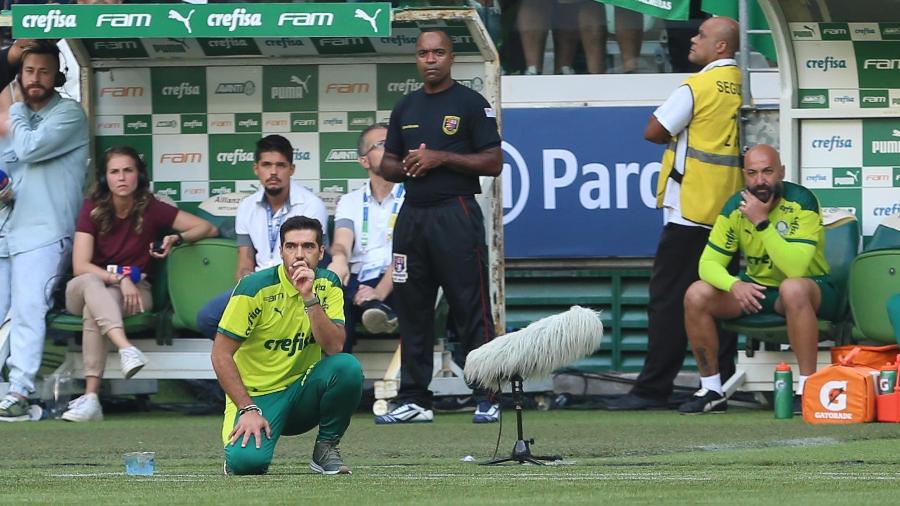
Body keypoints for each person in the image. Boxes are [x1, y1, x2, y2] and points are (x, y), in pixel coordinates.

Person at [606, 17, 743, 411]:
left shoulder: (697, 86)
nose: (693, 39)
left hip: (689, 213)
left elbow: (653, 129)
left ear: (721, 47)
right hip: (728, 214)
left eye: (702, 35)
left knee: (667, 300)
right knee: (721, 299)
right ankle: (723, 382)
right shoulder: (742, 85)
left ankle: (652, 388)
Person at [373, 30, 502, 424]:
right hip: (412, 216)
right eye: (424, 53)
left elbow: (493, 161)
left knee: (470, 307)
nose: (430, 59)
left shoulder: (471, 103)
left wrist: (441, 158)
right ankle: (415, 398)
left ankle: (488, 393)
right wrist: (409, 164)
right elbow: (387, 164)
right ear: (417, 58)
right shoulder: (405, 108)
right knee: (412, 308)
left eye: (438, 53)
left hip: (456, 213)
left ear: (451, 58)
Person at [60, 146, 217, 422]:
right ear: (104, 178)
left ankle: (91, 398)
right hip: (84, 288)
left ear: (139, 176)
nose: (121, 178)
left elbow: (207, 228)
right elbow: (80, 266)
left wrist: (174, 239)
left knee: (94, 312)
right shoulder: (92, 208)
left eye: (128, 170)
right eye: (114, 172)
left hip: (132, 293)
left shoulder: (151, 207)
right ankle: (126, 348)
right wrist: (120, 279)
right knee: (91, 284)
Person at [678, 144, 835, 414]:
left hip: (813, 289)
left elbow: (795, 267)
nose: (760, 181)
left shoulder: (801, 201)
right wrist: (734, 285)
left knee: (792, 287)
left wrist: (762, 222)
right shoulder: (734, 207)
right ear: (744, 175)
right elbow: (707, 264)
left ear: (781, 172)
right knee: (696, 293)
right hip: (759, 291)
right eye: (752, 173)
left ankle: (808, 386)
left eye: (767, 172)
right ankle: (712, 389)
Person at [211, 216, 362, 475]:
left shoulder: (328, 284)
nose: (299, 255)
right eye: (291, 247)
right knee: (247, 465)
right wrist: (246, 407)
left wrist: (309, 298)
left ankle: (325, 449)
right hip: (257, 398)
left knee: (347, 367)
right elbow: (220, 354)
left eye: (308, 247)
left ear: (321, 252)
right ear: (280, 251)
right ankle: (241, 443)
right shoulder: (253, 287)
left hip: (302, 391)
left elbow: (335, 347)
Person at [0, 41, 88, 421]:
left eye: (44, 71)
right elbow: (12, 166)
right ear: (21, 74)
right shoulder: (15, 117)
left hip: (47, 231)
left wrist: (15, 106)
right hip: (9, 226)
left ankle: (19, 392)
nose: (35, 78)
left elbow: (32, 149)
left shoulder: (68, 113)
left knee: (28, 311)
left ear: (57, 76)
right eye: (29, 71)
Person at [196, 134, 328, 339]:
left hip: (297, 286)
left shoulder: (311, 205)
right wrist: (248, 287)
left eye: (280, 165)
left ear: (291, 169)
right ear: (256, 168)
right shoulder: (246, 206)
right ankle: (257, 359)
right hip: (259, 285)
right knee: (208, 317)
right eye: (266, 165)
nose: (273, 172)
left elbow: (310, 263)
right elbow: (244, 262)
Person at [328, 123, 404, 352]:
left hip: (400, 277)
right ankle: (341, 380)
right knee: (332, 285)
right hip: (359, 279)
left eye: (393, 143)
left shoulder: (415, 196)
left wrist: (378, 292)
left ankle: (376, 305)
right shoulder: (350, 201)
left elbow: (410, 252)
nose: (391, 148)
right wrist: (339, 259)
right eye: (381, 144)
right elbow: (341, 242)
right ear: (364, 161)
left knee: (410, 277)